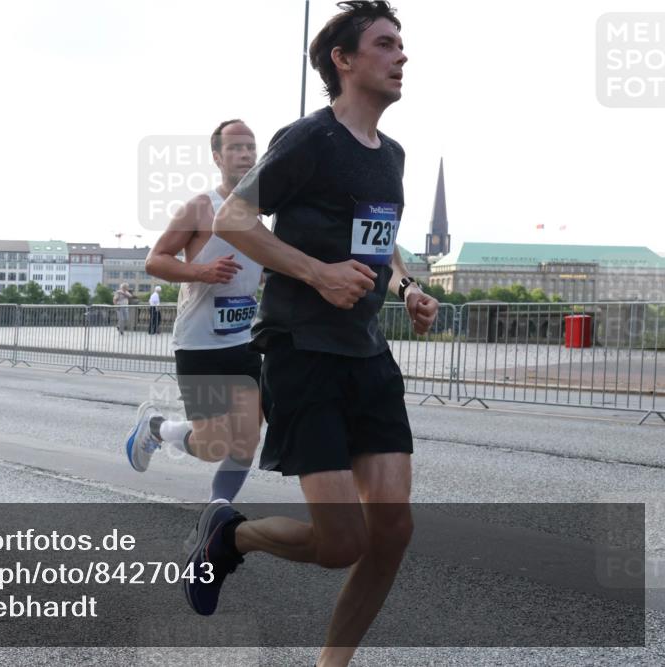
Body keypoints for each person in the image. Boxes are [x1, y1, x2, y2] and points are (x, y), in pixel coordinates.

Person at [186, 4, 440, 666]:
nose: (402, 55)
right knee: (342, 542)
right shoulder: (309, 138)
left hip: (368, 353)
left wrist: (407, 288)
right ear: (343, 60)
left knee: (393, 530)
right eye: (385, 43)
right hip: (303, 350)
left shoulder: (393, 155)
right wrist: (316, 273)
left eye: (401, 44)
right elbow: (234, 217)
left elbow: (378, 243)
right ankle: (229, 537)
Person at [126, 118, 264, 512]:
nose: (245, 154)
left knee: (247, 439)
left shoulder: (259, 213)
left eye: (250, 147)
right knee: (213, 445)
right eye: (235, 148)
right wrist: (202, 271)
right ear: (217, 157)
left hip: (244, 340)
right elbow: (155, 260)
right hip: (200, 342)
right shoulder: (201, 207)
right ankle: (156, 428)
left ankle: (215, 516)